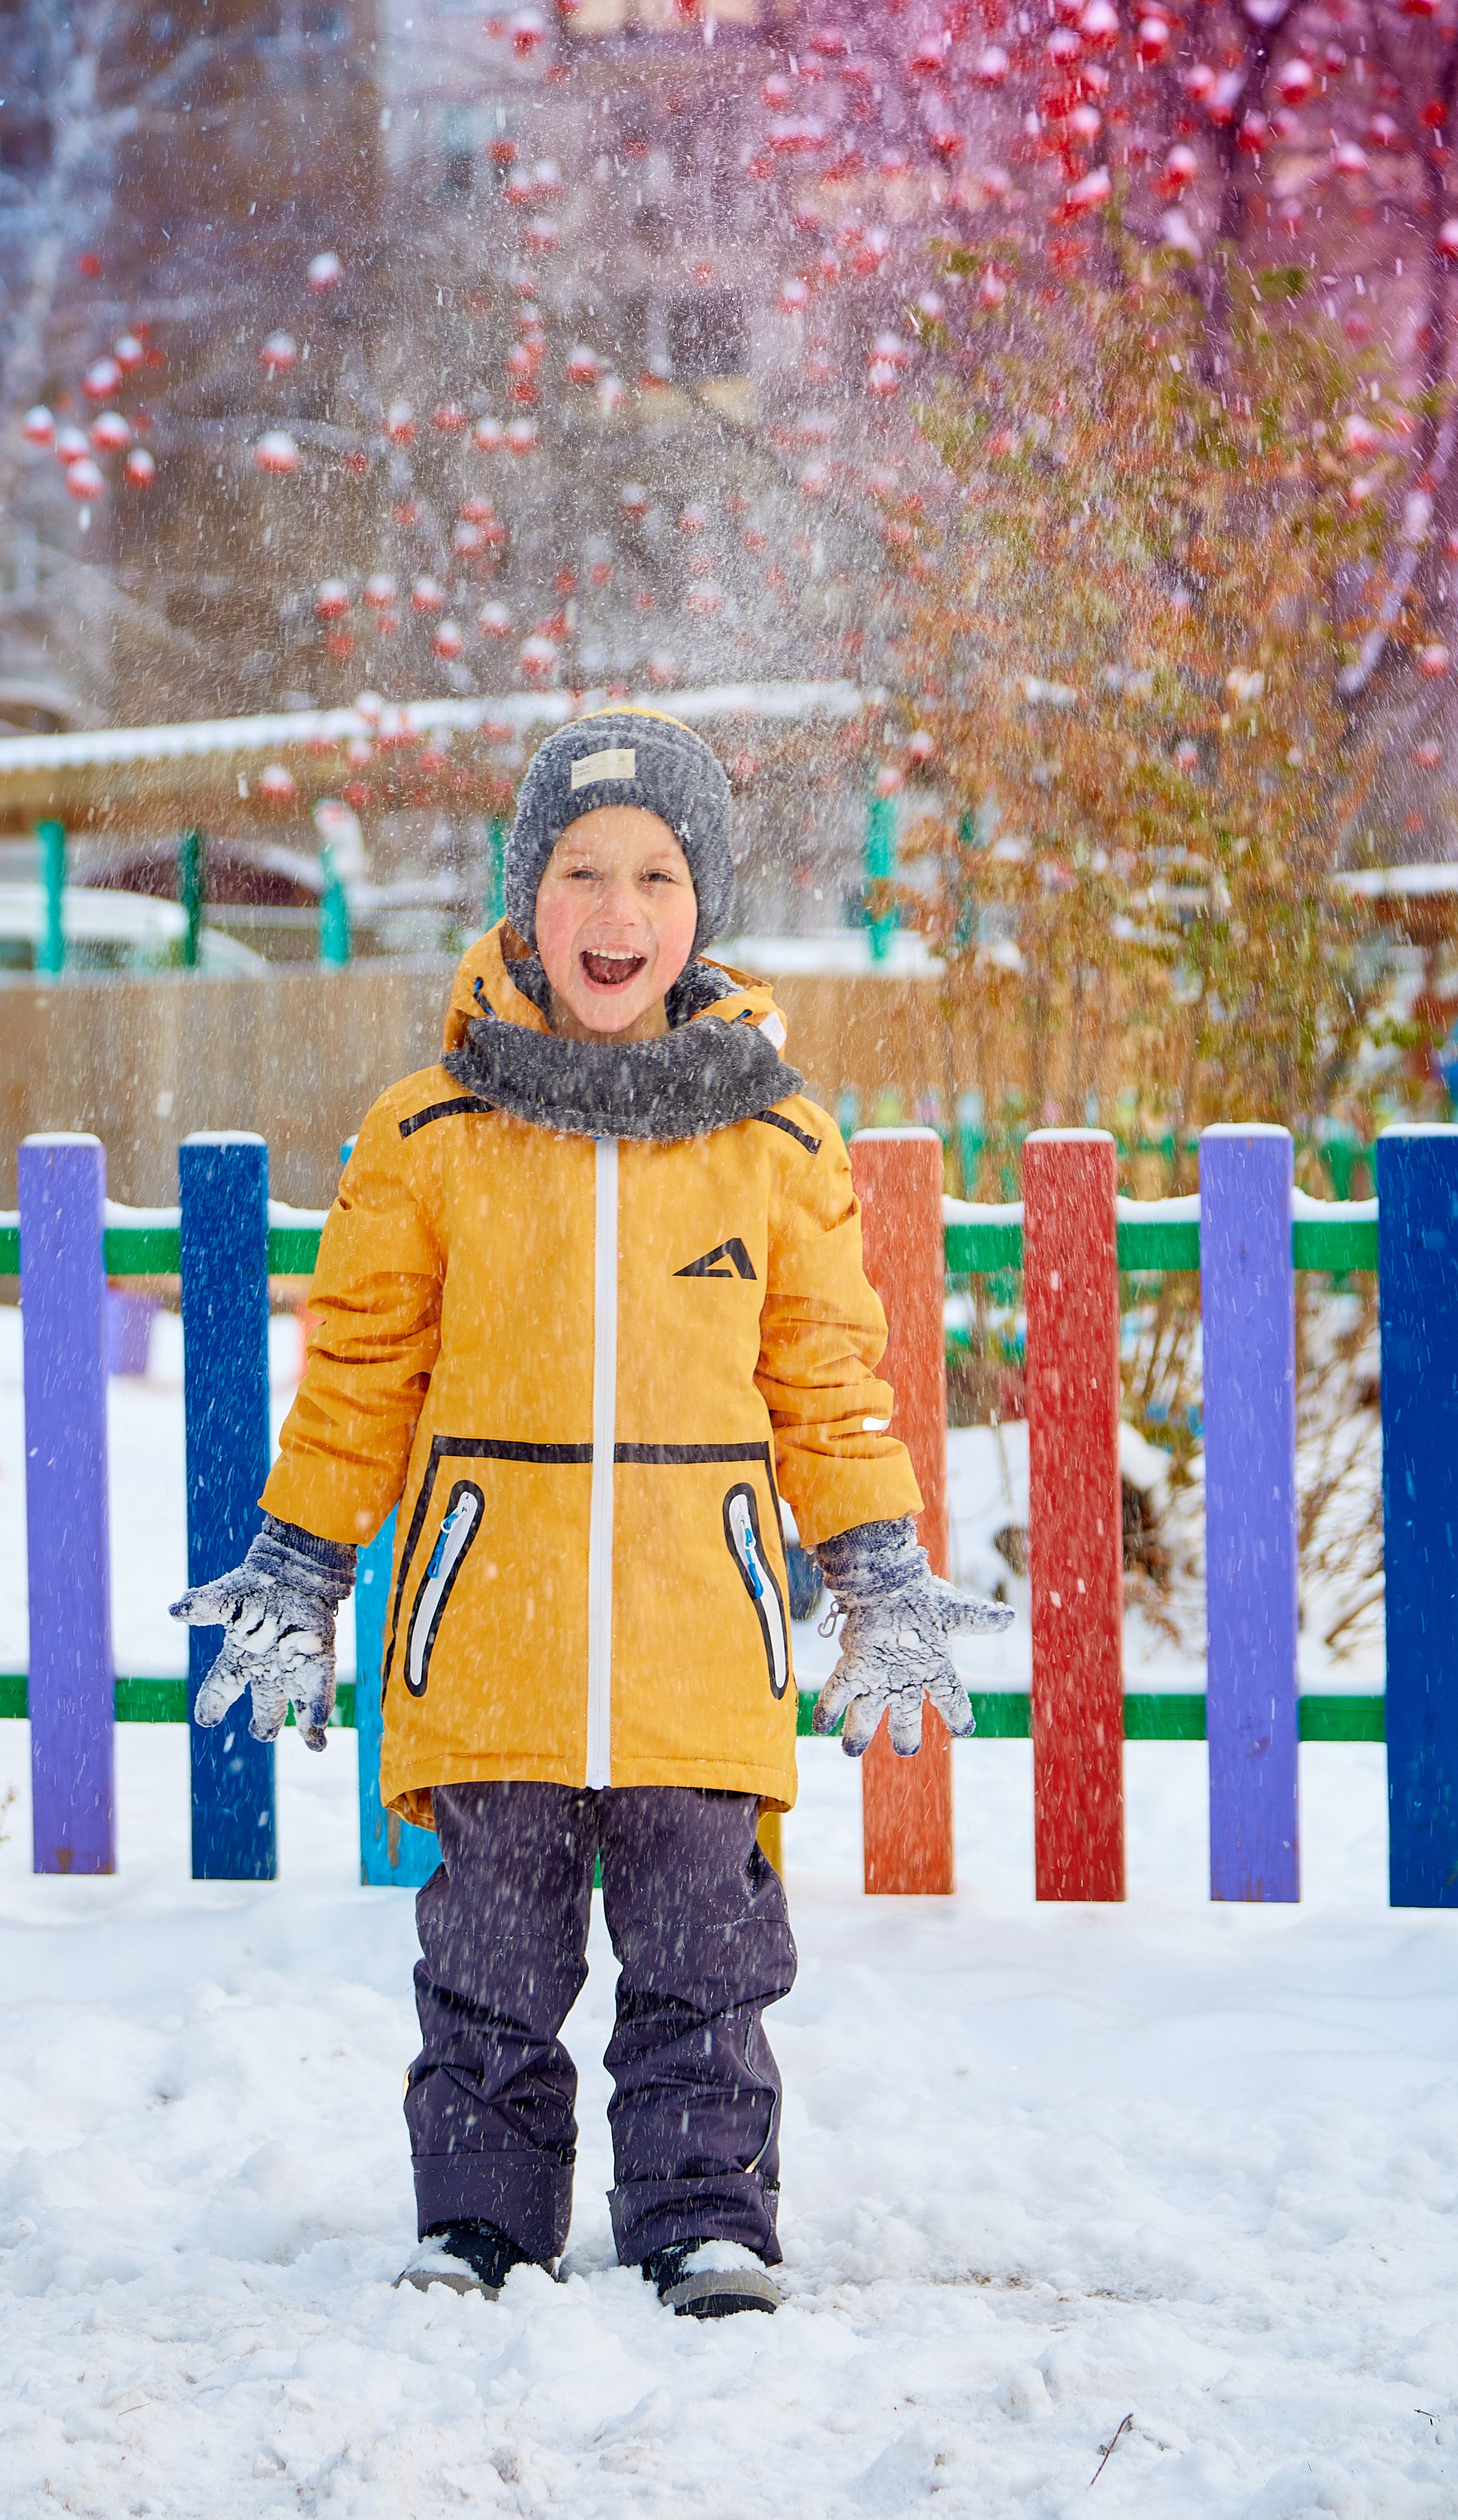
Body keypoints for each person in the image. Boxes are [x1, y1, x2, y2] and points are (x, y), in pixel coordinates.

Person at [172, 709, 1012, 2319]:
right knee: (485, 1971)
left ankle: (702, 2217)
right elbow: (360, 1374)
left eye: (651, 874)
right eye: (577, 871)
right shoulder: (430, 1133)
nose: (613, 914)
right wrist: (300, 1557)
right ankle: (477, 2220)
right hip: (488, 1639)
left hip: (699, 1648)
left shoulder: (774, 1142)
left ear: (702, 907)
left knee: (706, 1970)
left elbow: (826, 1384)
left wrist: (878, 1569)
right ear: (523, 893)